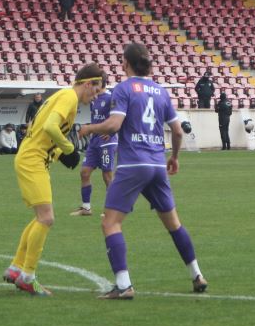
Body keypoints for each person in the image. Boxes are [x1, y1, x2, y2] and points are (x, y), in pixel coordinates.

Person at [78, 43, 208, 299]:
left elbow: (115, 125)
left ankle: (124, 285)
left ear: (126, 63)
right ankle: (197, 275)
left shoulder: (124, 89)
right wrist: (174, 157)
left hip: (132, 164)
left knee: (110, 223)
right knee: (174, 224)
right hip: (157, 164)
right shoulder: (161, 91)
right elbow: (178, 130)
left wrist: (89, 129)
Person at [3, 64, 105, 296]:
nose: (96, 96)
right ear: (88, 83)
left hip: (31, 158)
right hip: (32, 161)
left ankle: (16, 267)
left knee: (40, 217)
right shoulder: (69, 97)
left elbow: (39, 130)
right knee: (47, 218)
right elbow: (49, 127)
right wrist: (68, 148)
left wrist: (59, 154)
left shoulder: (61, 96)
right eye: (96, 90)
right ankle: (27, 276)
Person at [71, 76, 116, 216]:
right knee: (84, 172)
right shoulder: (93, 98)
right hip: (94, 140)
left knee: (107, 175)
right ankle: (86, 208)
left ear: (102, 82)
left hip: (107, 141)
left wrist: (112, 131)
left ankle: (111, 209)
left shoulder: (111, 98)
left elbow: (121, 117)